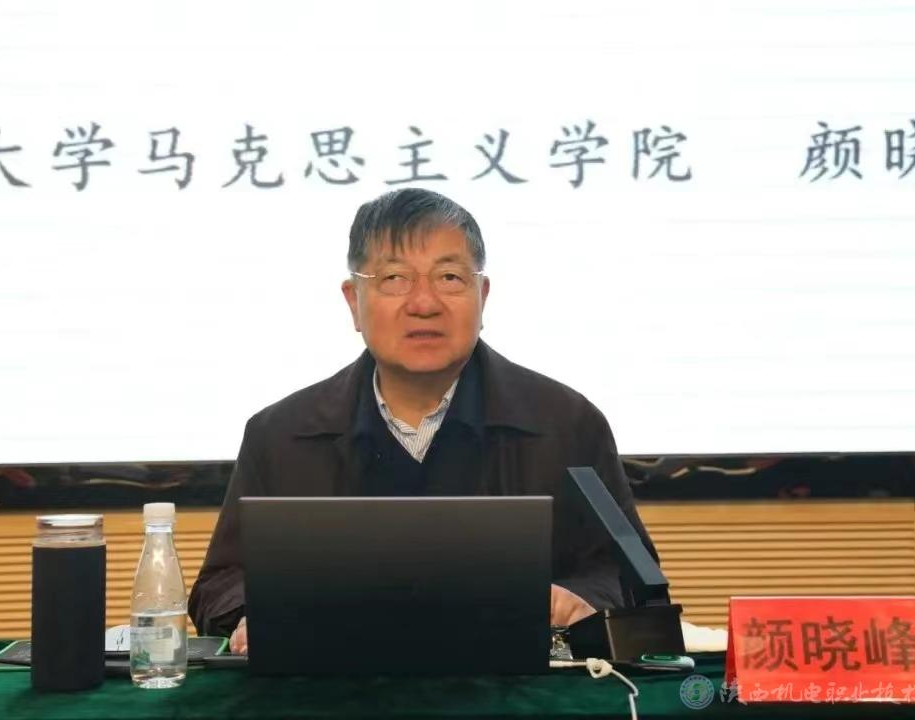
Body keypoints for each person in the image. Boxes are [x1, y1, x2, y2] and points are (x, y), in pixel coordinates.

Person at [188, 188, 663, 654]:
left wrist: (579, 601)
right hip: (333, 684)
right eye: (394, 278)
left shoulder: (567, 423)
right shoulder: (280, 434)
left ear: (482, 295)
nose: (423, 303)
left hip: (516, 684)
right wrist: (256, 613)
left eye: (449, 277)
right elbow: (221, 584)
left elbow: (629, 574)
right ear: (354, 301)